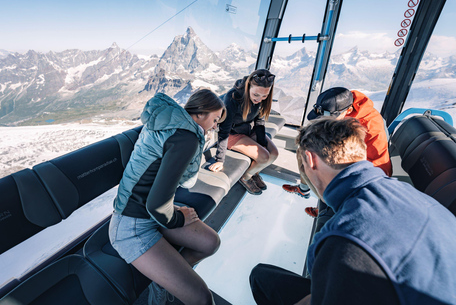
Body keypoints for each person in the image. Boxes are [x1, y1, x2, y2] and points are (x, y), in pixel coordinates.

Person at [250, 117, 456, 305]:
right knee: (264, 277)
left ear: (311, 160)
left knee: (261, 278)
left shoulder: (341, 239)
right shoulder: (406, 191)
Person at [109, 89, 226, 305]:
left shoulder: (169, 122)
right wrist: (179, 218)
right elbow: (157, 205)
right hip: (131, 225)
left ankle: (163, 282)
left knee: (210, 243)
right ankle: (165, 286)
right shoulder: (186, 138)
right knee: (202, 298)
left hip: (148, 212)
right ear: (200, 113)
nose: (215, 126)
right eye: (215, 119)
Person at [283, 87, 392, 218]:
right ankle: (304, 189)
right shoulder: (341, 101)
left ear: (349, 110)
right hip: (344, 154)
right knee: (304, 152)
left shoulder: (372, 127)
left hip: (361, 169)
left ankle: (331, 205)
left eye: (328, 117)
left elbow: (381, 167)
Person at [208, 69, 279, 195]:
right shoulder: (233, 97)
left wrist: (261, 143)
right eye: (256, 95)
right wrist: (220, 159)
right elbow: (224, 131)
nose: (259, 99)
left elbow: (259, 123)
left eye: (264, 96)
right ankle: (246, 177)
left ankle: (254, 171)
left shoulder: (261, 100)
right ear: (248, 88)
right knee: (264, 157)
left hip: (246, 129)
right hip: (231, 133)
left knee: (273, 154)